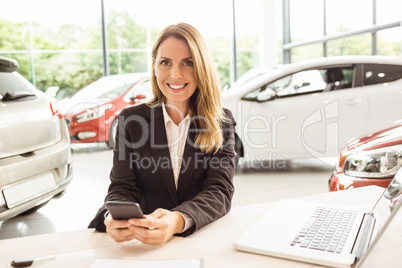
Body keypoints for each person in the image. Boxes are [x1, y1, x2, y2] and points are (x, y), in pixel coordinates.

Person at [88, 23, 237, 246]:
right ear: (155, 67)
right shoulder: (131, 121)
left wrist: (177, 220)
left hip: (200, 240)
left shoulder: (221, 122)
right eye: (165, 62)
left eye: (188, 63)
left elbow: (219, 191)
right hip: (142, 245)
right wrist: (113, 217)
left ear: (202, 68)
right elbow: (122, 188)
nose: (175, 74)